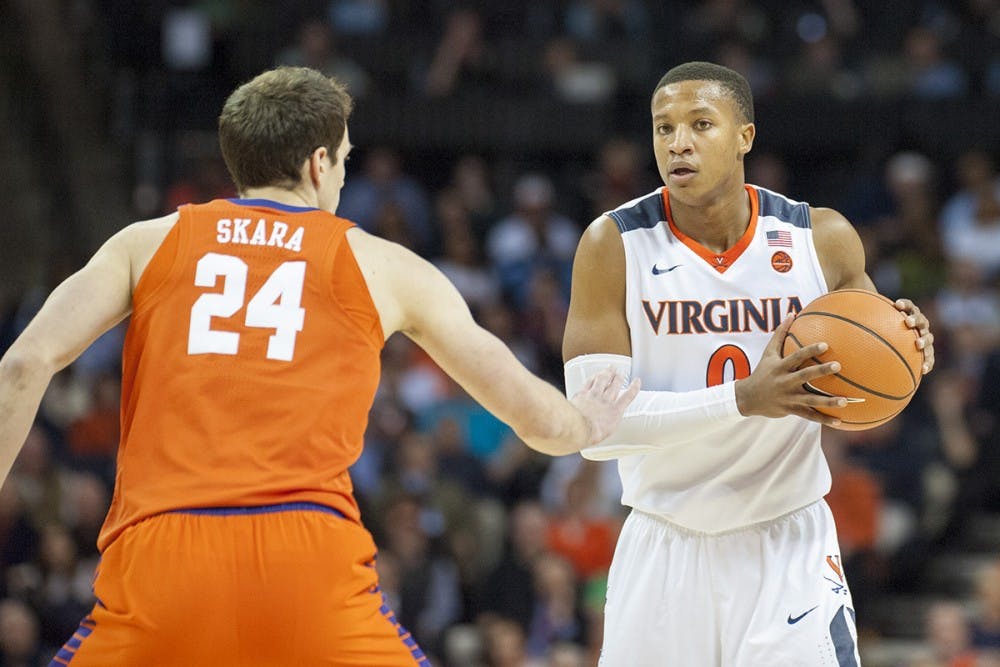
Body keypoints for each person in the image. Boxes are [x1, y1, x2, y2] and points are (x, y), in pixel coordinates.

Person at [0, 66, 639, 666]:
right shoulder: (383, 265)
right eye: (345, 161)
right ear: (318, 162)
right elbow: (534, 419)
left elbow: (24, 364)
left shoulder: (147, 242)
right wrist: (584, 422)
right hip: (306, 558)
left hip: (162, 556)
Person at [562, 61, 936, 666]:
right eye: (663, 128)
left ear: (745, 137)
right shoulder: (613, 245)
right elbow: (595, 433)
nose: (677, 142)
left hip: (787, 542)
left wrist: (911, 352)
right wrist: (742, 398)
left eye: (700, 124)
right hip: (664, 545)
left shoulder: (821, 238)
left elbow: (870, 396)